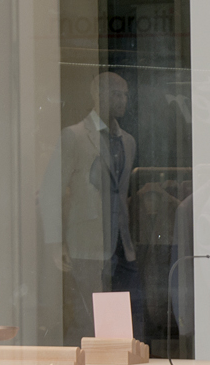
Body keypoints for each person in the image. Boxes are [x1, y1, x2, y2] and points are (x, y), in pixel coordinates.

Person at [41, 70, 140, 344]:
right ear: (97, 95)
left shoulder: (128, 141)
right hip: (85, 243)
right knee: (89, 319)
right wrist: (56, 243)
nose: (122, 100)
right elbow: (51, 192)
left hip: (121, 244)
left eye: (125, 95)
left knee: (121, 319)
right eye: (116, 94)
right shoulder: (74, 136)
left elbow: (122, 193)